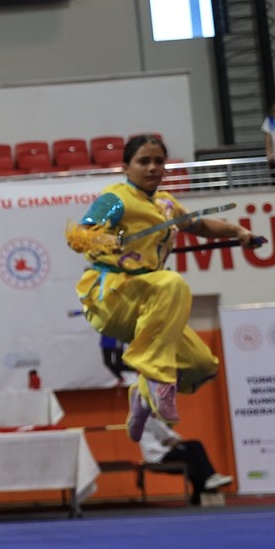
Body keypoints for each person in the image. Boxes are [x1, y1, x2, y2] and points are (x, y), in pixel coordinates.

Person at [66, 134, 257, 442]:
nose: (153, 167)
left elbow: (198, 225)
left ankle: (142, 395)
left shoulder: (166, 203)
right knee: (172, 282)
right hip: (112, 296)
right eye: (144, 161)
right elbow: (79, 234)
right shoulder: (116, 199)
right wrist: (102, 239)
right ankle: (157, 378)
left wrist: (237, 231)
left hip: (148, 301)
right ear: (126, 167)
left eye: (158, 161)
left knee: (200, 364)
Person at [139, 416, 233, 505]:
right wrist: (172, 440)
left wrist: (173, 439)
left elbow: (174, 436)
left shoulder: (155, 418)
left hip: (165, 451)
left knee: (195, 446)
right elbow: (166, 435)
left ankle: (206, 484)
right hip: (158, 457)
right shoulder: (148, 418)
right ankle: (207, 483)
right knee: (193, 455)